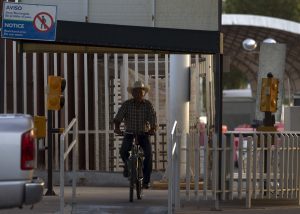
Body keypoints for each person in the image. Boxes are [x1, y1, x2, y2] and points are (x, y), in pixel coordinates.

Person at [113, 81, 157, 189]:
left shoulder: (148, 105)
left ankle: (146, 181)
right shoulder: (127, 104)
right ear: (132, 93)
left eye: (141, 91)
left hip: (143, 134)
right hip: (129, 133)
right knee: (123, 151)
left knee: (148, 155)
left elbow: (152, 119)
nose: (139, 93)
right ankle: (128, 166)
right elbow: (118, 117)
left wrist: (152, 128)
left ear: (144, 93)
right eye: (136, 91)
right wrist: (117, 128)